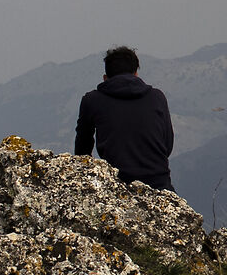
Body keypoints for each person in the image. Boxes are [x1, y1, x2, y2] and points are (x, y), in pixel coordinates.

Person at [75, 45, 175, 190]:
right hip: (159, 185)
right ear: (136, 74)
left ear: (105, 78)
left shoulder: (92, 101)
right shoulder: (157, 97)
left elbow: (82, 150)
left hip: (117, 185)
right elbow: (167, 145)